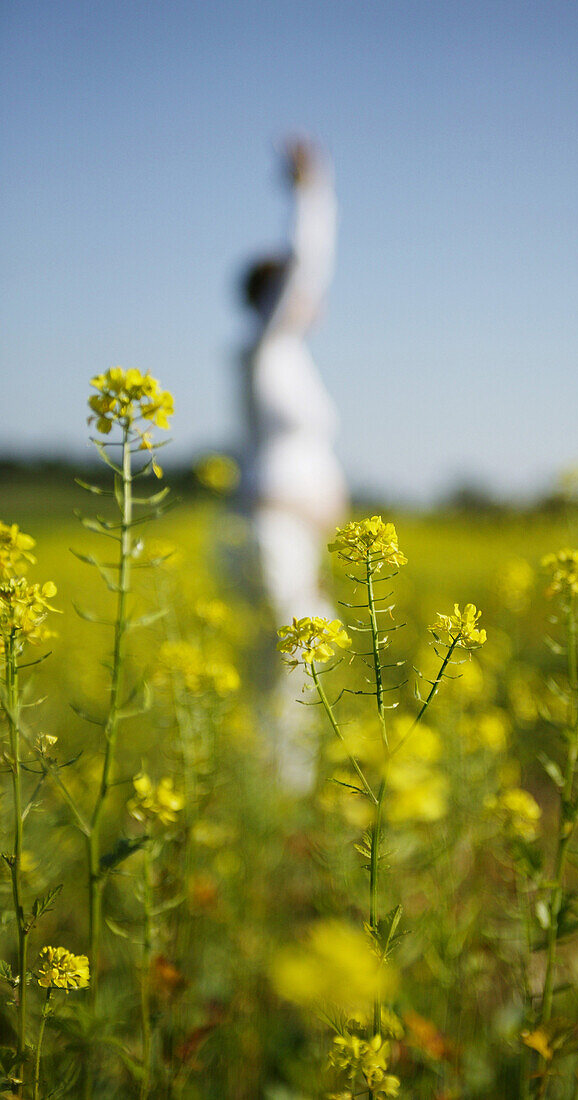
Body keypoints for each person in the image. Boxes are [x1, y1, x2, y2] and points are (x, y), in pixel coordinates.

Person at [239, 139, 348, 789]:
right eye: (289, 290)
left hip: (298, 535)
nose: (309, 298)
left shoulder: (285, 361)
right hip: (274, 530)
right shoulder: (264, 348)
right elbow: (310, 263)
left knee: (288, 663)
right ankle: (282, 799)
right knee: (292, 665)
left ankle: (275, 789)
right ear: (271, 297)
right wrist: (313, 191)